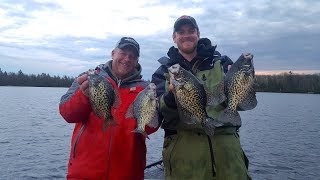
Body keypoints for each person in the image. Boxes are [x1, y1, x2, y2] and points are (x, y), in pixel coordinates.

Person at [151, 15, 251, 179]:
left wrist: (244, 83)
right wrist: (170, 98)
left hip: (228, 157)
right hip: (184, 159)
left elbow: (239, 104)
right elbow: (160, 113)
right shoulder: (163, 71)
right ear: (174, 37)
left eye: (191, 30)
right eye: (181, 32)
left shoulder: (222, 63)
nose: (186, 35)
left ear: (198, 33)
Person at [59, 37, 158, 180]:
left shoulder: (144, 89)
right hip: (83, 173)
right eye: (123, 53)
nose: (127, 58)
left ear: (137, 61)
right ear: (113, 53)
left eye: (132, 56)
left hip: (128, 174)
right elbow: (67, 114)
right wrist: (84, 95)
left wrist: (152, 108)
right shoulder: (87, 79)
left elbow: (150, 128)